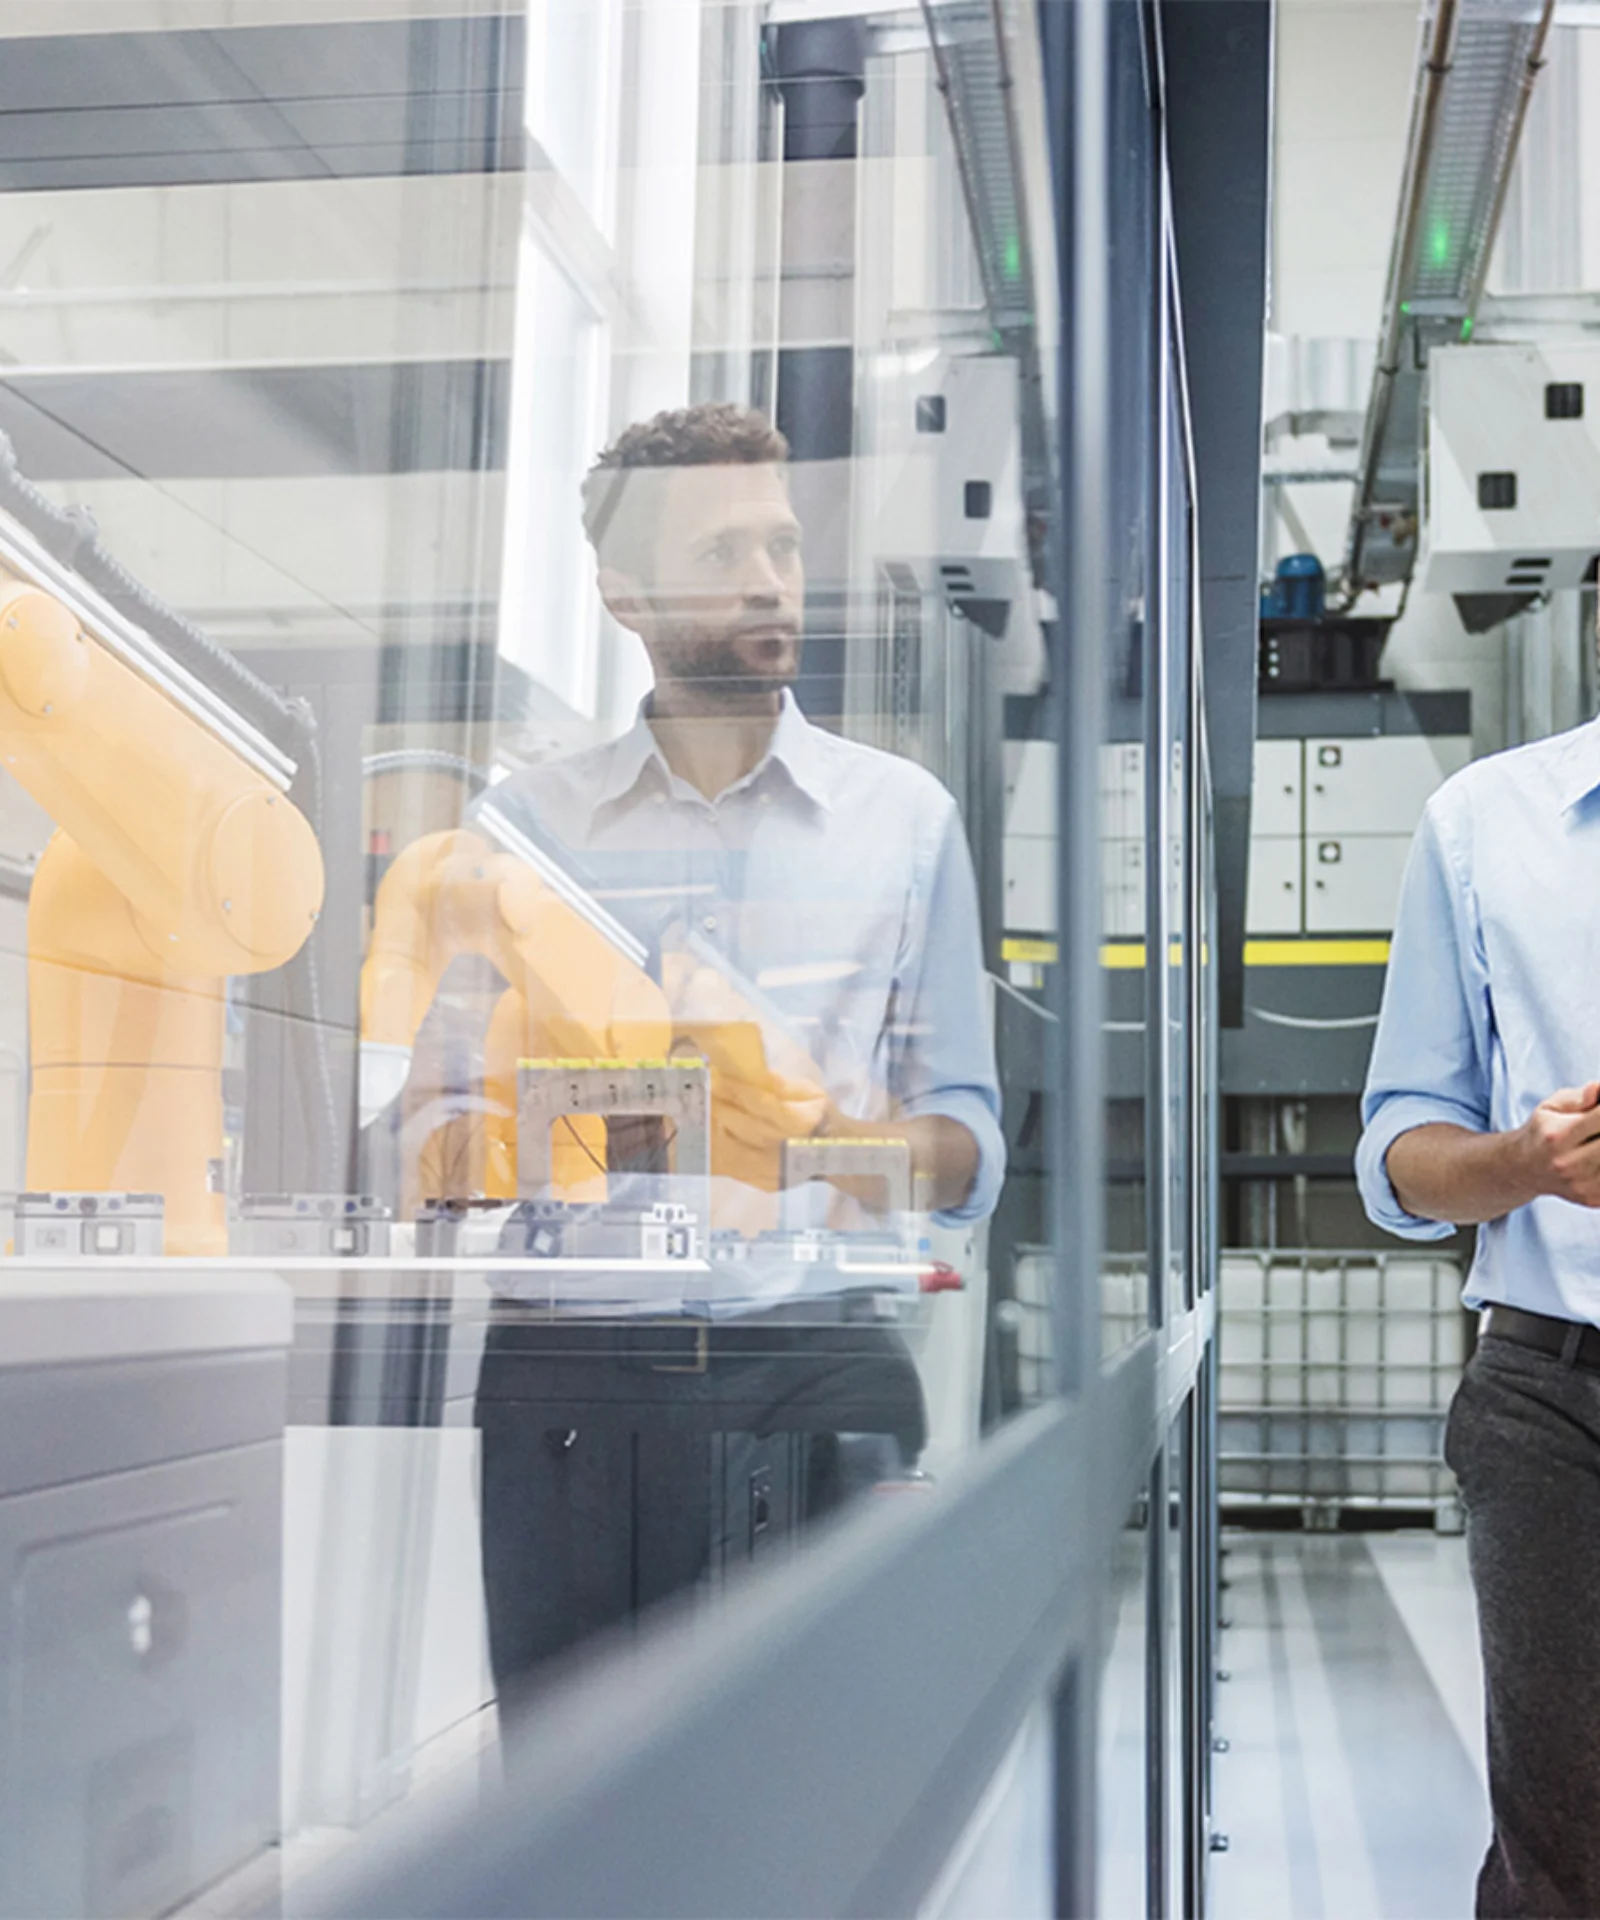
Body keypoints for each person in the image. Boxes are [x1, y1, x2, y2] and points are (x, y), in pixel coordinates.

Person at [461, 402, 1004, 1702]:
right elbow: (447, 1137)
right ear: (624, 593)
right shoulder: (522, 831)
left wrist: (819, 1138)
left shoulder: (904, 825)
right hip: (570, 1383)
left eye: (783, 546)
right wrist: (676, 1108)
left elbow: (966, 1144)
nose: (769, 581)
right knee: (571, 1817)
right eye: (721, 554)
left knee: (817, 1817)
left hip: (816, 1358)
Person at [1357, 714, 1600, 1919]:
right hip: (1560, 1403)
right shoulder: (1485, 825)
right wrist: (1527, 1163)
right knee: (1560, 1862)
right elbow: (1403, 1154)